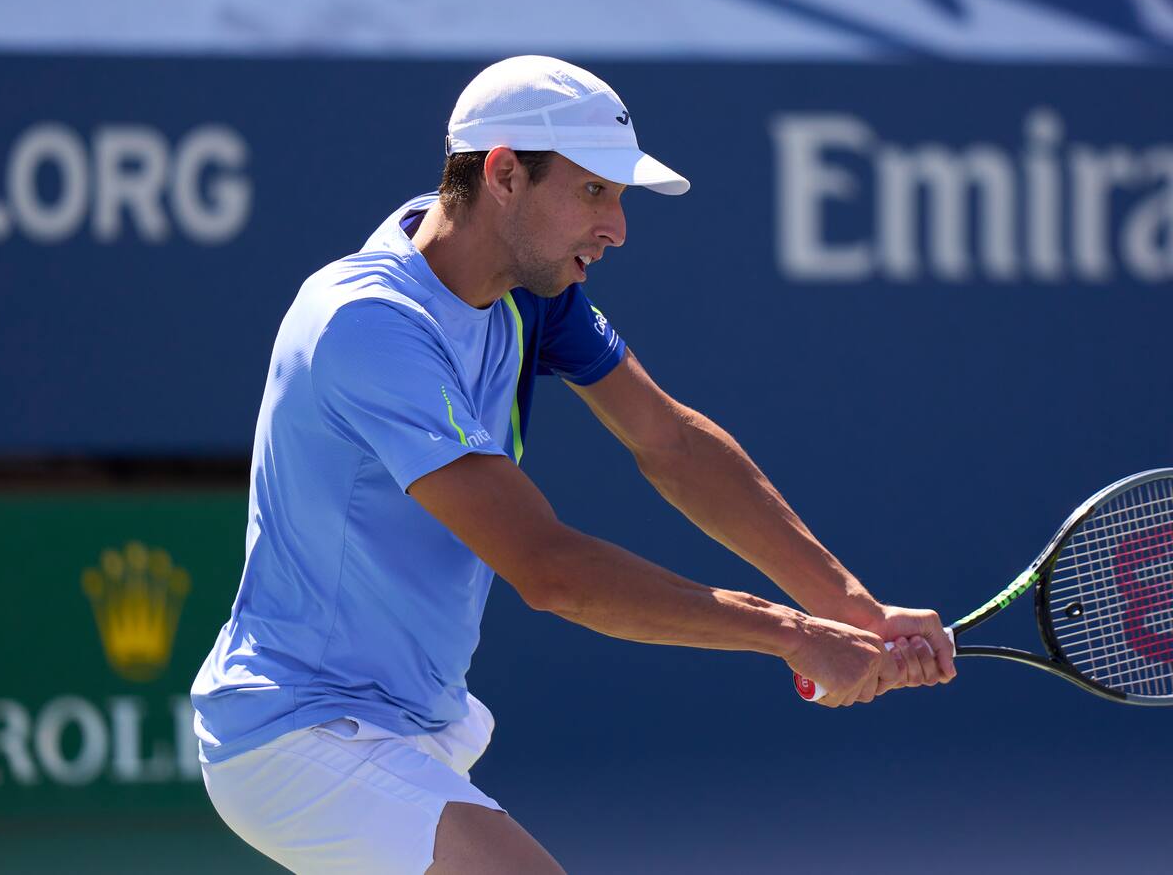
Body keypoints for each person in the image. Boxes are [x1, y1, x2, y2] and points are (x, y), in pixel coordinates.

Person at [191, 55, 956, 874]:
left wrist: (849, 607)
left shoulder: (529, 292)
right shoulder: (367, 326)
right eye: (595, 191)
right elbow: (551, 571)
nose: (618, 227)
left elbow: (672, 445)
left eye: (619, 197)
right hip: (302, 733)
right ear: (504, 174)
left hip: (417, 727)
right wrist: (793, 637)